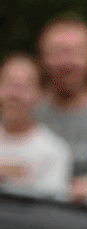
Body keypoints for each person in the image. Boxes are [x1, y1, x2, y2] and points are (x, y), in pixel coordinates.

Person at [34, 14, 87, 176]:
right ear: (42, 57)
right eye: (58, 52)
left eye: (76, 52)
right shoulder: (25, 111)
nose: (67, 62)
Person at [0, 53, 72, 198]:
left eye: (23, 86)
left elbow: (48, 211)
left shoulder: (55, 152)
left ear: (40, 94)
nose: (14, 95)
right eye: (8, 84)